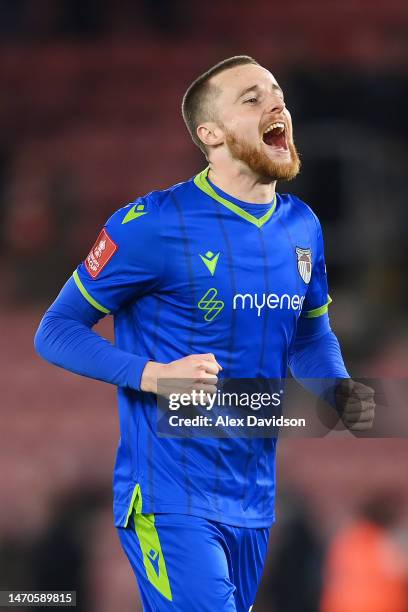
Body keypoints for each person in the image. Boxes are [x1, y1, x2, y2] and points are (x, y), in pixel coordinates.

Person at [34, 56, 375, 611]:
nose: (276, 104)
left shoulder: (302, 226)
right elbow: (55, 330)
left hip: (254, 501)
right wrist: (153, 374)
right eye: (252, 98)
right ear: (209, 134)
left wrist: (336, 389)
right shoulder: (151, 224)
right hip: (169, 496)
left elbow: (311, 337)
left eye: (278, 93)